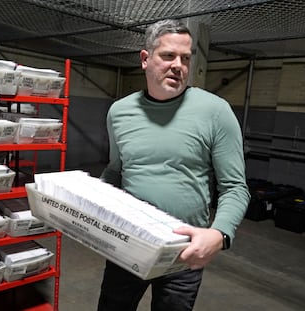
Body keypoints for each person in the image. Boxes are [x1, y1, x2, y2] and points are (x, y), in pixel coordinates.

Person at [97, 19, 250, 311]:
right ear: (145, 59)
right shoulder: (119, 112)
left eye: (185, 58)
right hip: (128, 241)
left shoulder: (215, 112)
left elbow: (235, 187)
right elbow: (116, 170)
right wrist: (85, 202)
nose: (178, 65)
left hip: (183, 254)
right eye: (168, 56)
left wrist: (219, 233)